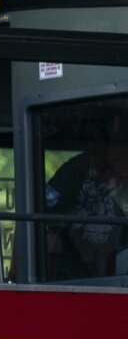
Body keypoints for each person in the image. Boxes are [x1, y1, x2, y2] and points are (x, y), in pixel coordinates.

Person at [42, 112, 128, 281]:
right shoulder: (73, 170)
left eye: (119, 143)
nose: (111, 151)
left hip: (115, 270)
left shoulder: (120, 177)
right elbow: (39, 205)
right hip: (72, 269)